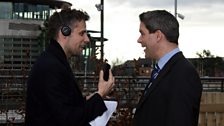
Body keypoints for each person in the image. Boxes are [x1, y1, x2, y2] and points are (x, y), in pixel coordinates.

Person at [25, 8, 115, 126]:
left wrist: (88, 100)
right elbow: (68, 119)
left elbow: (61, 107)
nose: (87, 39)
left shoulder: (54, 61)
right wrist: (100, 94)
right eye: (82, 33)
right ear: (65, 32)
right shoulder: (51, 66)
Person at [133, 10, 202, 126]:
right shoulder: (165, 70)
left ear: (158, 36)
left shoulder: (183, 74)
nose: (139, 40)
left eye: (142, 33)